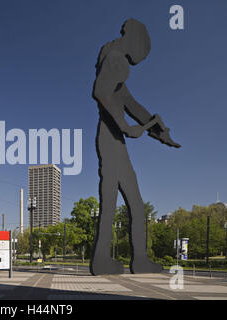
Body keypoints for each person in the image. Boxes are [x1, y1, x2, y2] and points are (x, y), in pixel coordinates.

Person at [91, 18, 180, 275]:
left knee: (132, 203)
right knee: (112, 201)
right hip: (111, 138)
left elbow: (136, 108)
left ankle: (138, 259)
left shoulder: (116, 66)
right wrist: (124, 125)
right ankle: (103, 260)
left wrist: (160, 133)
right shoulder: (116, 60)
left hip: (114, 140)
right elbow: (100, 91)